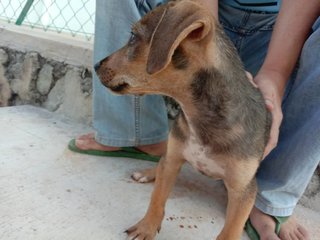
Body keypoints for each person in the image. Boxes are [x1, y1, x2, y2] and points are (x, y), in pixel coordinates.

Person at [69, 0, 320, 239]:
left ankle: (270, 198)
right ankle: (140, 138)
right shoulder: (192, 37)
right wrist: (200, 24)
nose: (106, 62)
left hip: (279, 34)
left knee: (242, 184)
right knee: (171, 158)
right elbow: (196, 23)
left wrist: (275, 74)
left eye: (133, 40)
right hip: (203, 24)